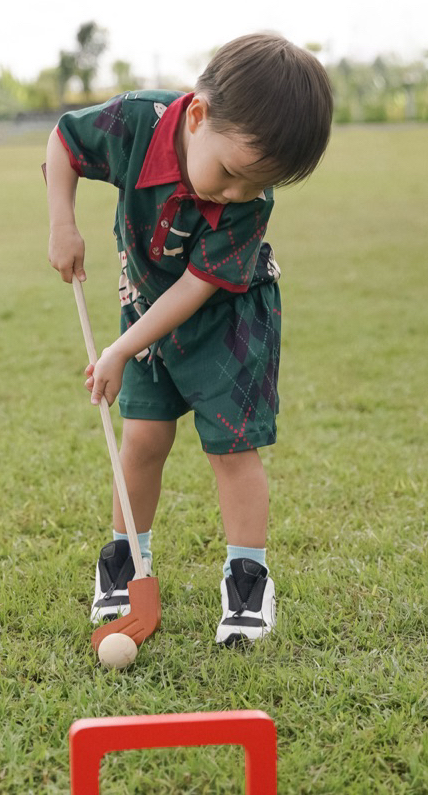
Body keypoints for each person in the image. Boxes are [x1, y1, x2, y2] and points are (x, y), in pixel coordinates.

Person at [45, 33, 333, 644]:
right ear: (197, 115)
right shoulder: (134, 122)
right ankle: (126, 563)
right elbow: (65, 142)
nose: (233, 195)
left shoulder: (249, 204)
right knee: (144, 436)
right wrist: (63, 223)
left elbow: (195, 290)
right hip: (147, 302)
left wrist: (121, 348)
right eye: (229, 174)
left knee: (231, 450)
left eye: (254, 186)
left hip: (227, 320)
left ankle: (248, 580)